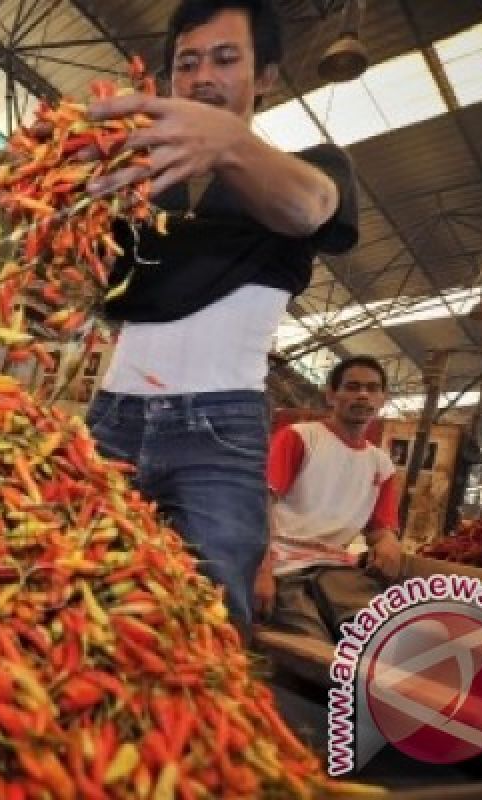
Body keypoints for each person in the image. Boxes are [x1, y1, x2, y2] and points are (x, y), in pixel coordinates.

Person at [83, 0, 360, 631]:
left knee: (204, 623)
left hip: (218, 427)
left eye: (226, 58)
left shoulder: (309, 167)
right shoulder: (144, 183)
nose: (202, 75)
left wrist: (231, 143)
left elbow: (312, 208)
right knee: (76, 592)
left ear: (265, 77)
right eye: (188, 62)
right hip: (113, 417)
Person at [254, 356, 402, 643]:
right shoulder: (300, 438)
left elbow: (382, 527)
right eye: (352, 387)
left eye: (372, 389)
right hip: (284, 565)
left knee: (381, 638)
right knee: (312, 646)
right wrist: (262, 571)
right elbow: (261, 503)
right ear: (331, 395)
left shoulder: (381, 465)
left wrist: (389, 540)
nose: (363, 395)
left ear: (383, 399)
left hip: (336, 569)